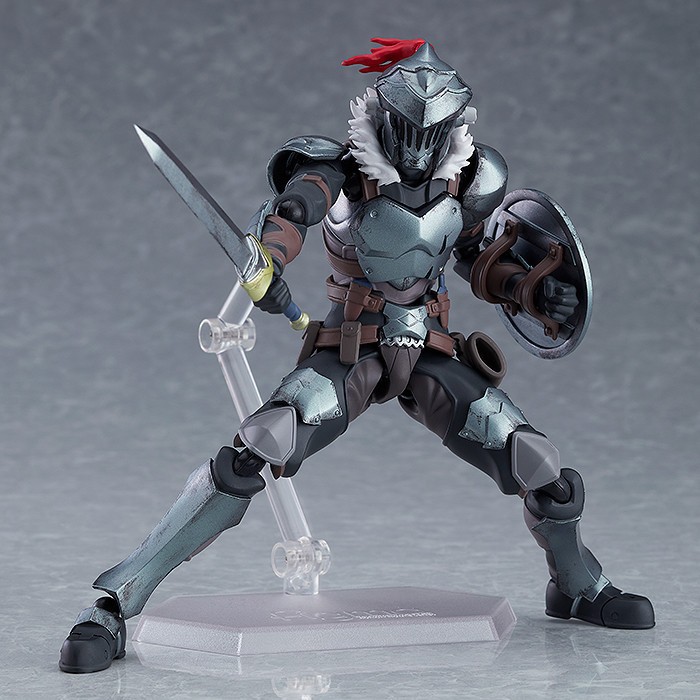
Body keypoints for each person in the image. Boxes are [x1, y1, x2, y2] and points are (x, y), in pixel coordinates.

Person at [59, 38, 654, 674]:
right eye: (405, 129)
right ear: (382, 116)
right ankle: (116, 601)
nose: (417, 147)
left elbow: (481, 257)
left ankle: (577, 584)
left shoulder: (472, 177)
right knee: (257, 446)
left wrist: (534, 290)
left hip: (430, 349)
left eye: (432, 132)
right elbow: (296, 210)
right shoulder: (339, 169)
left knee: (536, 461)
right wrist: (272, 253)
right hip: (353, 348)